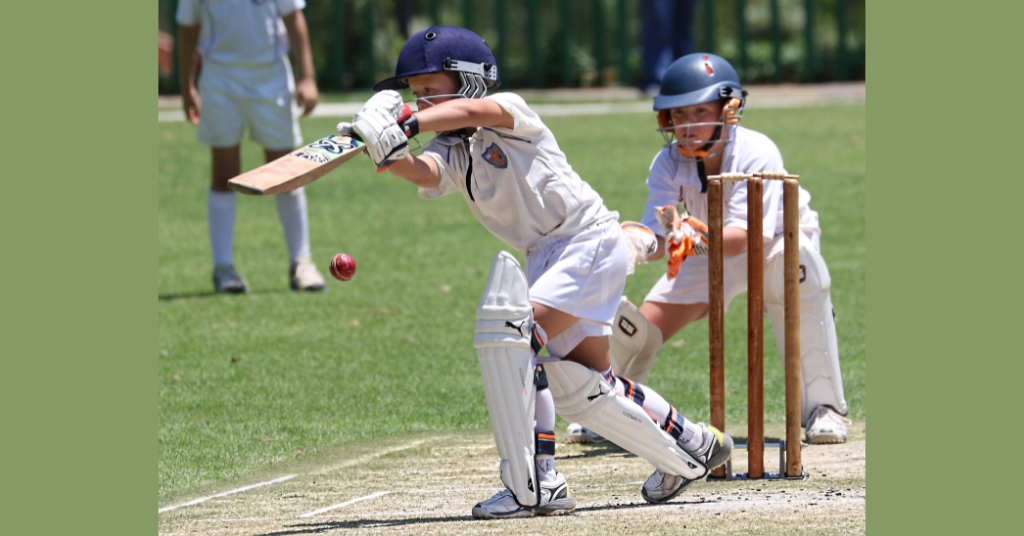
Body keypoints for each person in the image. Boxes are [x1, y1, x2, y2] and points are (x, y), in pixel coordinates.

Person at [338, 26, 733, 519]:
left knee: (512, 338)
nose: (421, 101)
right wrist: (388, 153)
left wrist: (404, 120)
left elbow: (470, 112)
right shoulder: (454, 150)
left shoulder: (509, 111)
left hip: (585, 241)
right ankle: (694, 445)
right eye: (414, 94)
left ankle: (538, 481)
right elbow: (426, 173)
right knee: (588, 386)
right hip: (550, 255)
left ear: (469, 80)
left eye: (429, 90)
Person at [573, 53, 851, 446]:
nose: (688, 125)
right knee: (636, 330)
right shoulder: (667, 162)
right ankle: (608, 411)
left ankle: (825, 410)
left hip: (774, 243)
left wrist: (686, 237)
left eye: (700, 112)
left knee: (801, 274)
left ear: (729, 109)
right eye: (679, 114)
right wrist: (631, 244)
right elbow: (659, 231)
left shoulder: (757, 151)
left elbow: (743, 236)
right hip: (708, 250)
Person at [177, 0, 326, 293]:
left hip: (271, 77)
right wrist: (187, 86)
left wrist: (307, 77)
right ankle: (224, 268)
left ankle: (302, 261)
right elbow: (187, 27)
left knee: (287, 173)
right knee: (224, 174)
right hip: (219, 78)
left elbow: (294, 17)